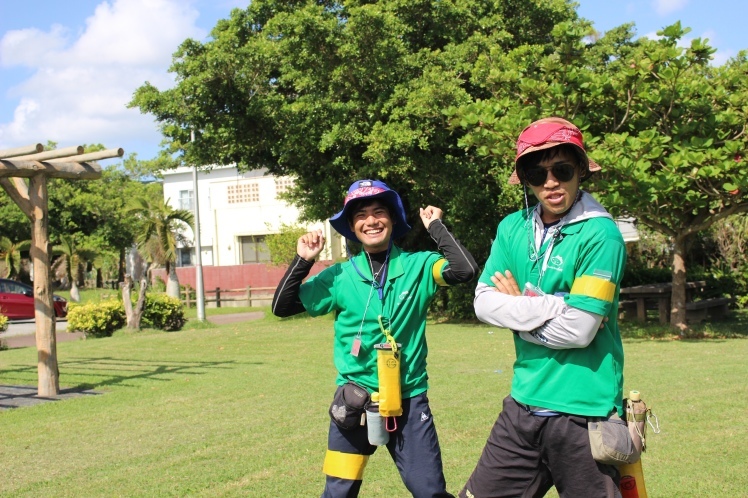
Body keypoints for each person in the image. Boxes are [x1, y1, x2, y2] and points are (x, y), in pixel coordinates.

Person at [272, 179, 479, 497]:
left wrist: (435, 226)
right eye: (361, 215)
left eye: (379, 211)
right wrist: (304, 260)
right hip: (353, 403)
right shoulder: (339, 277)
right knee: (338, 492)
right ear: (352, 227)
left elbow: (464, 270)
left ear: (393, 219)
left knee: (430, 491)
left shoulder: (419, 265)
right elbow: (282, 307)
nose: (371, 221)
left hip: (408, 401)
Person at [461, 117, 628, 498]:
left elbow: (580, 331)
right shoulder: (511, 228)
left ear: (581, 171)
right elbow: (484, 304)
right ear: (525, 179)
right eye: (537, 173)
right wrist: (554, 304)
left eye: (562, 170)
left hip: (584, 414)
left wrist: (517, 312)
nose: (550, 182)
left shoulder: (601, 234)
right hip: (523, 404)